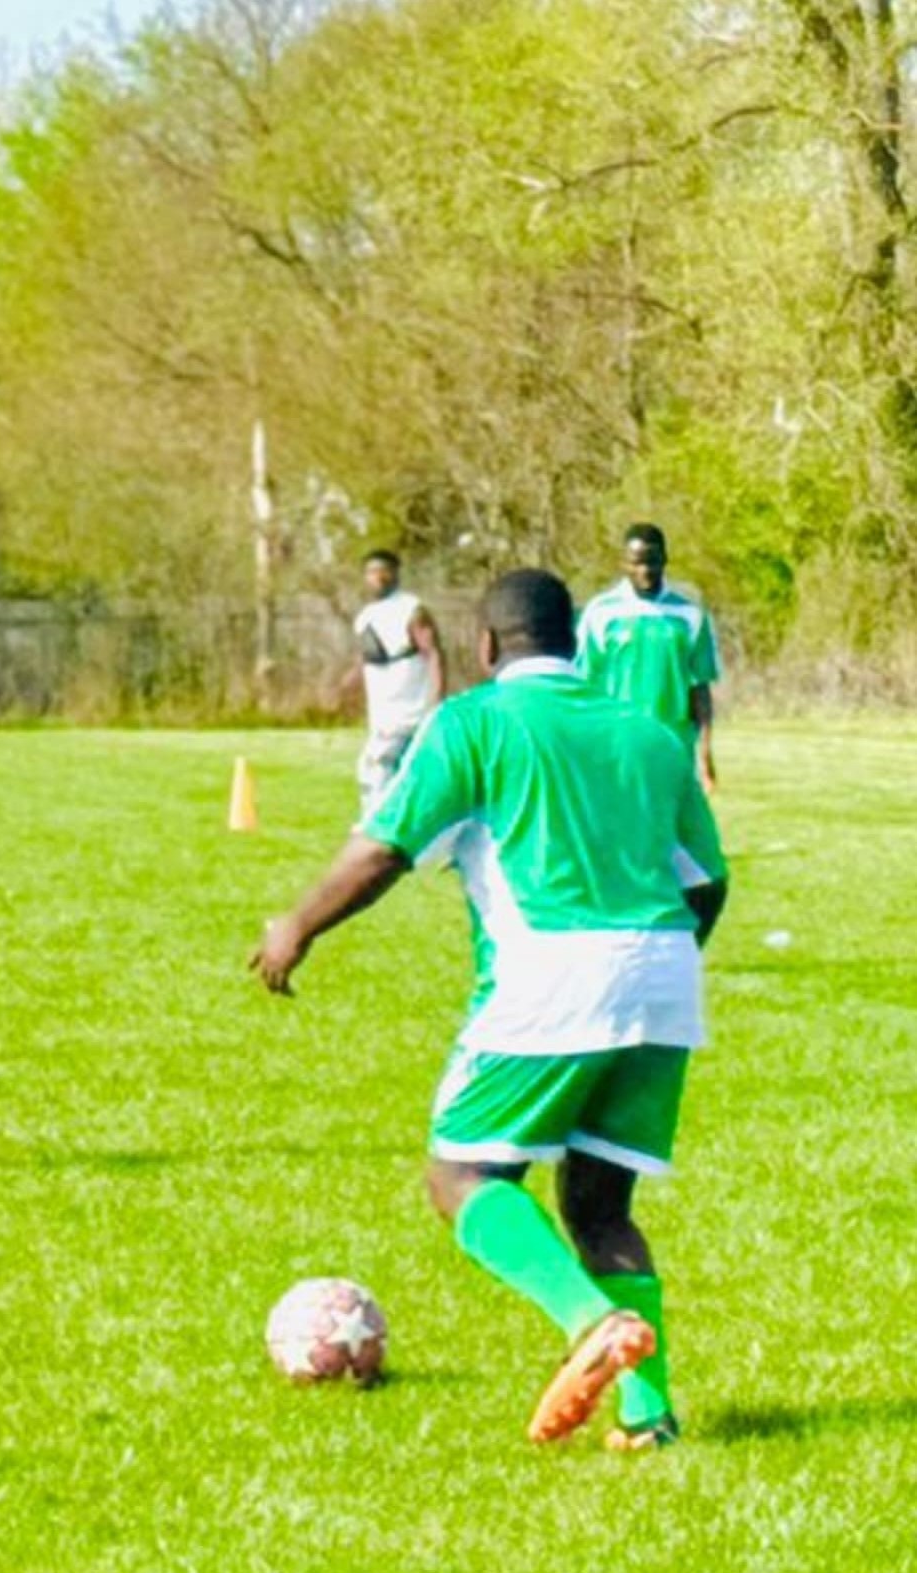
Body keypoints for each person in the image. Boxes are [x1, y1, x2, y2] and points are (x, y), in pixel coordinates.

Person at [249, 568, 729, 1451]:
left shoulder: (472, 721)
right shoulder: (650, 733)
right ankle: (648, 1417)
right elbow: (710, 881)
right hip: (665, 977)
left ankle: (587, 1319)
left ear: (481, 646)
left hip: (551, 974)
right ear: (578, 639)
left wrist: (297, 923)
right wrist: (649, 969)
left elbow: (384, 850)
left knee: (461, 1177)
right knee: (600, 1207)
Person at [577, 523, 720, 791]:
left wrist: (704, 754)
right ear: (623, 563)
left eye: (653, 562)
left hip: (673, 744)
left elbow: (700, 688)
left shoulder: (689, 613)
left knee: (668, 830)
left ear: (665, 558)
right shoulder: (601, 613)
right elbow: (583, 687)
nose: (645, 571)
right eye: (637, 563)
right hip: (618, 745)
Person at [344, 549, 443, 817]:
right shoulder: (365, 616)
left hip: (410, 709)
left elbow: (433, 653)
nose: (376, 577)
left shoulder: (411, 609)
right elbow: (367, 659)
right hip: (383, 712)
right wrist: (347, 684)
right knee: (397, 775)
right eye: (371, 572)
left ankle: (376, 829)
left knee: (374, 769)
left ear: (395, 573)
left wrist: (436, 700)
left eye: (382, 571)